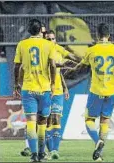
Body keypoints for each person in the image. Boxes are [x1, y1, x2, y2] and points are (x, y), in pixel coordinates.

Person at [66, 23, 114, 161]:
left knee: (89, 119)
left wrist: (70, 72)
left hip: (96, 90)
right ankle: (99, 153)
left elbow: (81, 67)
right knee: (105, 121)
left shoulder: (92, 50)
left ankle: (97, 142)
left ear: (97, 36)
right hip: (111, 91)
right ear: (109, 36)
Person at [13, 19, 56, 162]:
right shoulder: (48, 45)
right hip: (44, 89)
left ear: (28, 30)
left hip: (28, 89)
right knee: (42, 123)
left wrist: (16, 84)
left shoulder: (22, 44)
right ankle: (42, 153)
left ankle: (33, 155)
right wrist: (54, 84)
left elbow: (17, 66)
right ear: (40, 31)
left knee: (31, 122)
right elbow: (53, 66)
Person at [45, 30, 70, 160]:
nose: (51, 41)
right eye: (48, 39)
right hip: (45, 91)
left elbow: (59, 73)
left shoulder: (59, 51)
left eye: (53, 39)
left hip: (58, 91)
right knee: (47, 122)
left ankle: (55, 150)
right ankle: (49, 150)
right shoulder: (43, 53)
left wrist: (65, 88)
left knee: (56, 120)